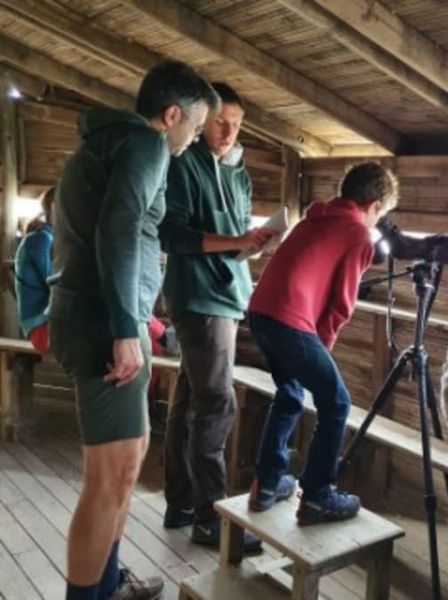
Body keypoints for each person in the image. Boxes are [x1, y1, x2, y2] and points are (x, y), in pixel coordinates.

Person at [48, 61, 218, 600]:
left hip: (103, 317)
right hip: (106, 324)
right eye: (195, 126)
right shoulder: (145, 146)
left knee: (129, 459)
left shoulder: (105, 146)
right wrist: (126, 328)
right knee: (109, 478)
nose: (193, 139)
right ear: (172, 115)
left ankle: (108, 582)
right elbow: (119, 228)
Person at [247, 161, 398, 523]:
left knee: (290, 393)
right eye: (381, 214)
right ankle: (317, 494)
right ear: (375, 205)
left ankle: (268, 482)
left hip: (262, 312)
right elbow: (341, 305)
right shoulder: (359, 234)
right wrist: (322, 347)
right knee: (337, 403)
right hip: (289, 321)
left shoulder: (314, 217)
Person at [159, 82, 273, 550]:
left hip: (226, 295)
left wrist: (253, 245)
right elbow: (174, 235)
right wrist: (237, 242)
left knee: (190, 401)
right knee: (217, 403)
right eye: (221, 121)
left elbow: (231, 241)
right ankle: (210, 517)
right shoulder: (183, 165)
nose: (229, 131)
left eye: (238, 123)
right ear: (201, 119)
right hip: (198, 298)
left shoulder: (239, 173)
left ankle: (181, 503)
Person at [14, 187, 55, 353]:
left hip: (49, 322)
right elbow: (54, 283)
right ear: (54, 207)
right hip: (41, 327)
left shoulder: (50, 237)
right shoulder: (40, 239)